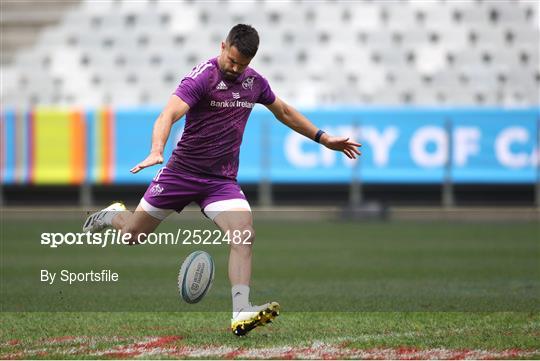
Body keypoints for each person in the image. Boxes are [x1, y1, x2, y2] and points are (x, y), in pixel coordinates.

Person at [83, 24, 361, 336]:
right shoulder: (203, 76)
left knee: (244, 234)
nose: (235, 67)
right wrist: (156, 149)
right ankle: (113, 215)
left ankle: (241, 310)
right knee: (133, 235)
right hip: (180, 173)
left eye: (243, 64)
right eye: (231, 59)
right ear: (222, 46)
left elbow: (282, 111)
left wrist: (322, 138)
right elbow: (168, 114)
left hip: (220, 181)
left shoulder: (254, 83)